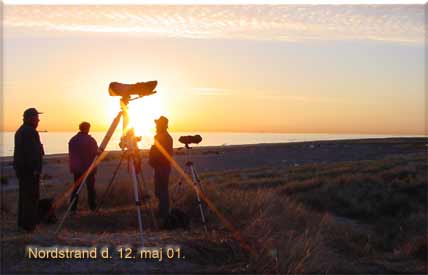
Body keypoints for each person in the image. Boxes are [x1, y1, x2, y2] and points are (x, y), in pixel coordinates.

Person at [13, 108, 44, 232]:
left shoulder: (20, 131)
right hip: (29, 170)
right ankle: (29, 225)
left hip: (22, 169)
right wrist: (36, 169)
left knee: (24, 196)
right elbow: (32, 153)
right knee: (31, 197)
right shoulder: (30, 132)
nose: (38, 120)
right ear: (30, 118)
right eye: (36, 117)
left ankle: (23, 223)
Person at [68, 122, 98, 211]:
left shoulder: (73, 139)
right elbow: (94, 153)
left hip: (77, 169)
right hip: (88, 168)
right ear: (88, 128)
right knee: (91, 189)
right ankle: (93, 207)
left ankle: (72, 208)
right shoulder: (90, 140)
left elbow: (71, 154)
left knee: (76, 188)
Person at [149, 116, 173, 221]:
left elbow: (160, 153)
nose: (156, 126)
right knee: (160, 190)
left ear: (162, 125)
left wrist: (153, 157)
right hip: (161, 166)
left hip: (162, 166)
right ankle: (163, 211)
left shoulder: (163, 137)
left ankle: (164, 213)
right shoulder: (162, 136)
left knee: (162, 190)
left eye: (157, 124)